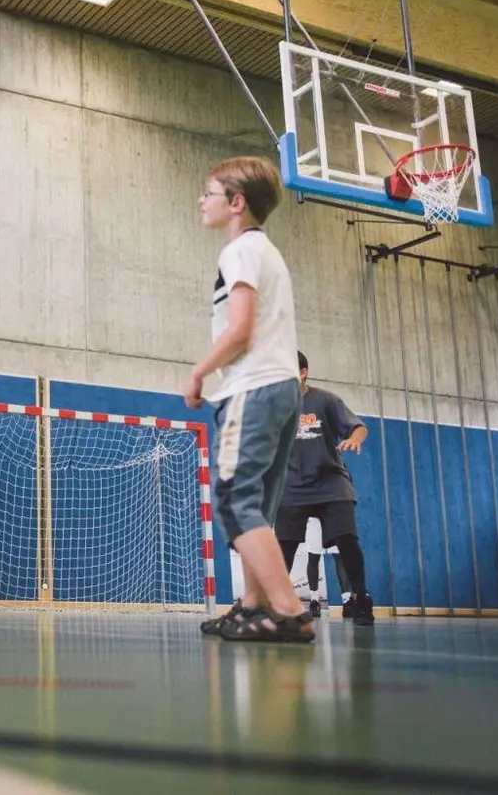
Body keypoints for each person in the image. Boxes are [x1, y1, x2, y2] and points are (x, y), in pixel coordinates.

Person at [185, 157, 311, 643]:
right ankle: (255, 604)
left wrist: (198, 371)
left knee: (235, 500)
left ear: (236, 203)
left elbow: (240, 330)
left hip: (252, 388)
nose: (202, 199)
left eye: (209, 192)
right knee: (259, 502)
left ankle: (287, 609)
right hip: (282, 388)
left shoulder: (238, 252)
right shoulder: (267, 252)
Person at [275, 352, 375, 626]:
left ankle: (361, 598)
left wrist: (355, 439)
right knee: (283, 548)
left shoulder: (324, 400)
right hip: (293, 486)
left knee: (346, 540)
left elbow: (359, 427)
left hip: (331, 483)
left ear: (303, 372)